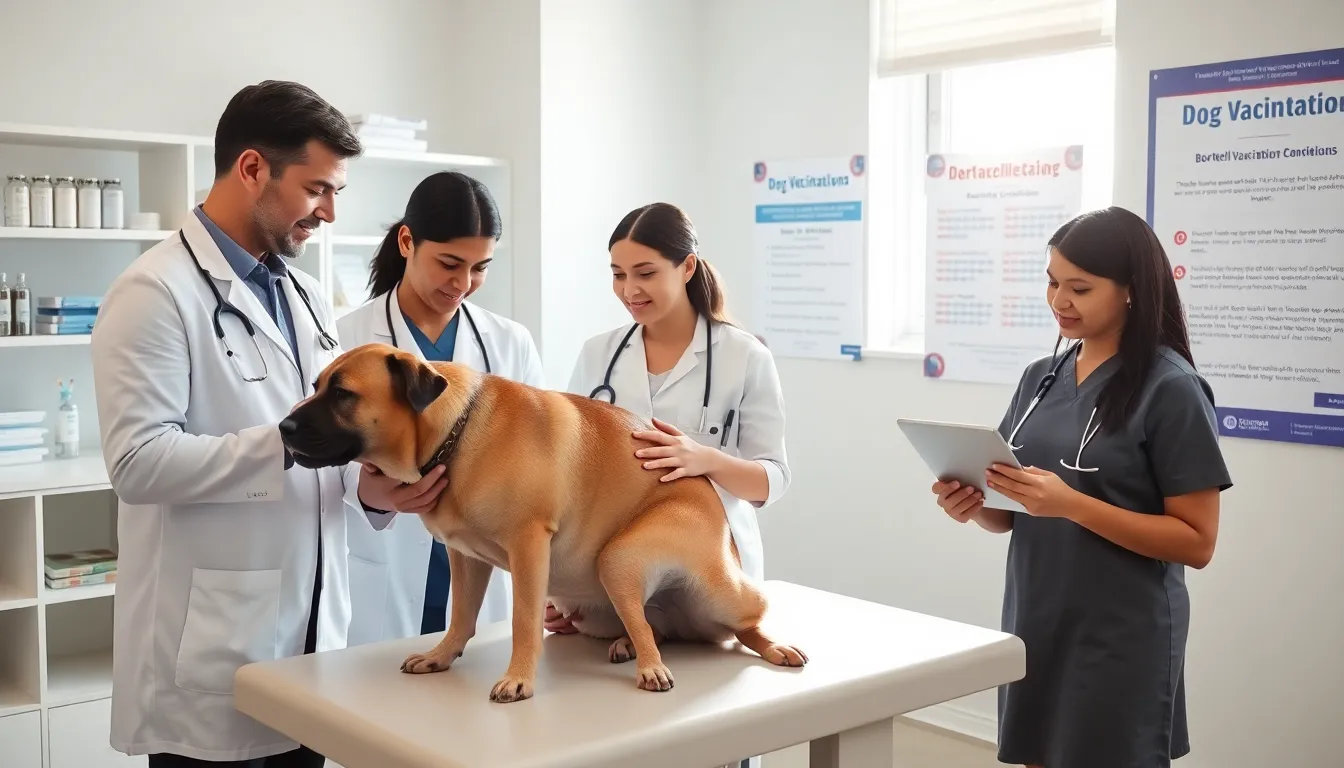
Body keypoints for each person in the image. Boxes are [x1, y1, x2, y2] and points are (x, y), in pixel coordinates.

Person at [90, 80, 446, 768]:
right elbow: (137, 464)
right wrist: (287, 442)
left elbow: (323, 458)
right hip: (212, 654)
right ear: (252, 169)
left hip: (313, 651)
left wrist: (370, 493)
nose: (331, 212)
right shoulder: (154, 292)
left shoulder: (308, 294)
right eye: (318, 188)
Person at [930, 206, 1233, 768]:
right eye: (1051, 282)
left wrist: (1072, 505)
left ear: (1131, 292)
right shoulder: (1039, 378)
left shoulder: (1173, 389)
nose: (1058, 301)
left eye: (1080, 288)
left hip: (1119, 633)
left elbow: (1197, 541)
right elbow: (1011, 511)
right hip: (1036, 615)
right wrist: (973, 504)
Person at [554, 202, 790, 768]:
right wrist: (558, 582)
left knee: (716, 741)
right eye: (617, 273)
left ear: (687, 268)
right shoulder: (599, 355)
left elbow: (773, 479)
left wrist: (703, 458)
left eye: (645, 273)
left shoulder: (743, 356)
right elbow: (565, 472)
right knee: (622, 742)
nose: (629, 289)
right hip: (616, 579)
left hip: (710, 572)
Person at [336, 170, 545, 645]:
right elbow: (317, 455)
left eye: (480, 267)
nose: (464, 283)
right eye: (449, 263)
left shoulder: (510, 343)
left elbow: (539, 455)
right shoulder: (346, 337)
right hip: (385, 561)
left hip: (486, 554)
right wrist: (372, 493)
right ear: (407, 241)